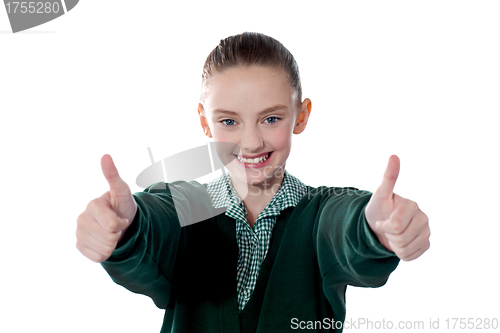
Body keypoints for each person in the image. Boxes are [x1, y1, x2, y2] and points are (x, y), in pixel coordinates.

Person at [76, 32, 430, 332]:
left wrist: (375, 231)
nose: (251, 143)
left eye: (271, 118)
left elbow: (347, 228)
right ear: (204, 122)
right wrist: (127, 230)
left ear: (301, 115)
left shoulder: (321, 213)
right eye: (229, 122)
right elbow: (155, 227)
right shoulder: (186, 206)